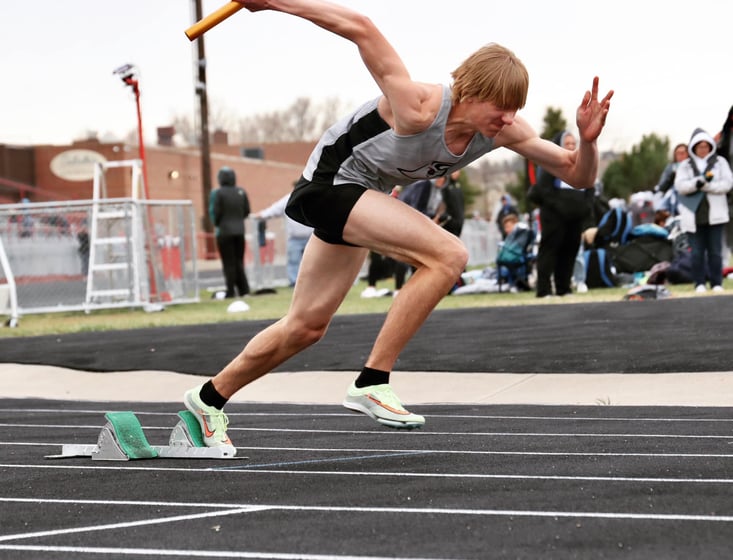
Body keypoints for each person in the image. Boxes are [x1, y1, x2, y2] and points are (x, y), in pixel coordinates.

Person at [183, 0, 613, 449]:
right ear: (472, 90)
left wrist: (586, 142)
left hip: (359, 200)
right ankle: (373, 379)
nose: (508, 119)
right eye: (501, 107)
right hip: (329, 185)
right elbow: (361, 27)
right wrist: (273, 3)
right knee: (449, 256)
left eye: (514, 109)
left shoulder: (503, 131)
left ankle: (208, 398)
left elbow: (576, 174)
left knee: (305, 327)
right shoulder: (419, 106)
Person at [528, 131, 596, 298]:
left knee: (570, 252)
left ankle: (563, 288)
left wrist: (584, 208)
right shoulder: (550, 164)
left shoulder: (581, 164)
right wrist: (561, 207)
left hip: (575, 217)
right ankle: (543, 290)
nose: (571, 147)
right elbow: (544, 190)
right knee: (549, 251)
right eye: (568, 144)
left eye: (574, 144)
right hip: (554, 216)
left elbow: (590, 187)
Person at [674, 128, 733, 293]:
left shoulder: (720, 162)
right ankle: (699, 282)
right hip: (694, 215)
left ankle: (716, 283)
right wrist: (697, 183)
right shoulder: (685, 165)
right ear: (693, 148)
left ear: (710, 147)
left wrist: (708, 186)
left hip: (716, 215)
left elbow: (727, 183)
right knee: (697, 253)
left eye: (706, 146)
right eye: (699, 147)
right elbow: (680, 186)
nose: (703, 150)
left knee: (715, 251)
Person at [252, 188, 314, 287]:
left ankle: (311, 282)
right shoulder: (289, 198)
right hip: (295, 238)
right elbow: (275, 209)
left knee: (312, 262)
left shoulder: (312, 198)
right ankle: (294, 282)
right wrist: (262, 214)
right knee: (294, 261)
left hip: (312, 237)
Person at [210, 166, 251, 298]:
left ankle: (231, 290)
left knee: (228, 263)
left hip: (224, 232)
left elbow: (215, 213)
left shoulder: (218, 193)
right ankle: (244, 290)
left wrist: (218, 223)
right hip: (240, 231)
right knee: (239, 261)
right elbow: (247, 211)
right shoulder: (241, 191)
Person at [653, 143, 688, 219]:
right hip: (672, 197)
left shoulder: (692, 166)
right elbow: (662, 186)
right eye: (678, 153)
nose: (680, 156)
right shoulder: (671, 167)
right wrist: (671, 177)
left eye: (683, 153)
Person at [434, 170, 466, 238]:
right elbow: (440, 204)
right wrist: (442, 217)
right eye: (455, 171)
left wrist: (461, 219)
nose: (456, 173)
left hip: (459, 222)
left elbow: (461, 205)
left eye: (458, 171)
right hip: (447, 221)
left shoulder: (458, 186)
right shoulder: (445, 185)